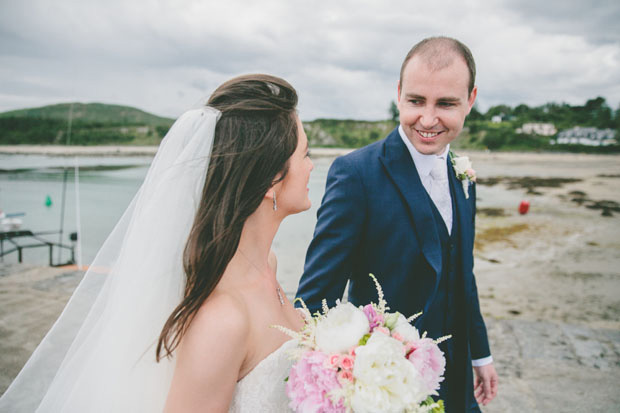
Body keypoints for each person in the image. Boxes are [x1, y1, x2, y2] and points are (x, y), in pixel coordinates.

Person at [0, 74, 313, 412]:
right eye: (305, 155)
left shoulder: (269, 265)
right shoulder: (222, 320)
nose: (312, 166)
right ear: (271, 180)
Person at [296, 37, 498, 412]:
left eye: (446, 104)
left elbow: (462, 275)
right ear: (399, 93)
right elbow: (315, 300)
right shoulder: (356, 175)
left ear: (470, 100)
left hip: (457, 387)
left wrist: (480, 356)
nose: (428, 119)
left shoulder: (464, 178)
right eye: (416, 101)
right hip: (384, 391)